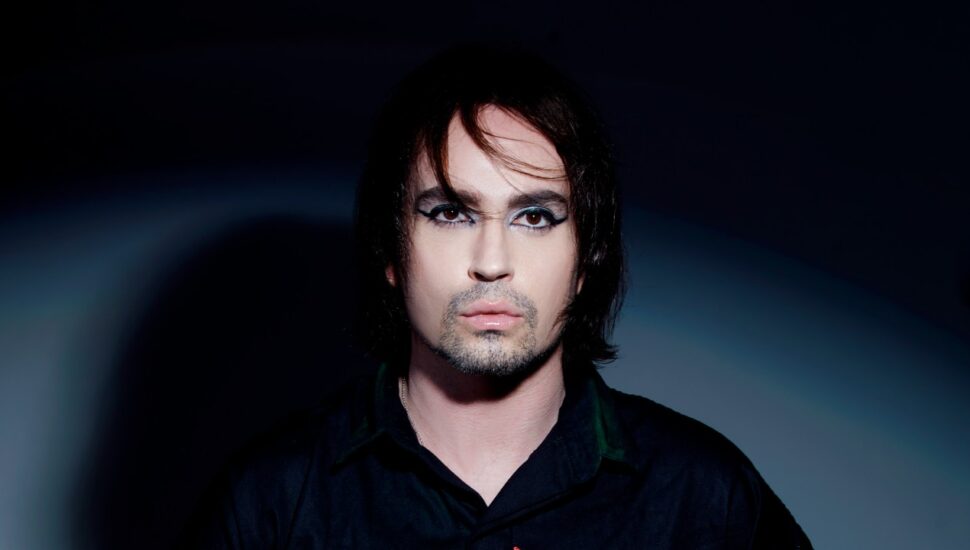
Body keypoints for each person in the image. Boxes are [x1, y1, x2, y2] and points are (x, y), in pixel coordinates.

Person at [184, 45, 811, 549]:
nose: (491, 262)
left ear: (587, 260)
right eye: (451, 213)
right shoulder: (271, 499)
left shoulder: (705, 496)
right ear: (391, 253)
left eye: (534, 217)